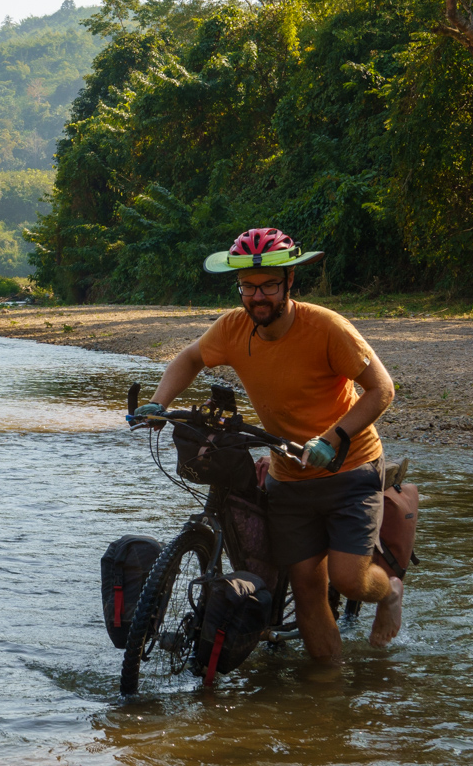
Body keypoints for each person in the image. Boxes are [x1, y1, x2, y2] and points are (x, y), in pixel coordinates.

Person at [133, 228, 402, 660]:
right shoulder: (234, 328)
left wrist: (333, 438)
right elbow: (190, 358)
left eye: (269, 286)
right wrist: (158, 403)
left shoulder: (327, 328)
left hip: (348, 467)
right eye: (248, 287)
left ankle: (389, 591)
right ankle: (327, 699)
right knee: (308, 590)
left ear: (290, 282)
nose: (258, 297)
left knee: (350, 579)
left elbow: (381, 389)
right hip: (289, 478)